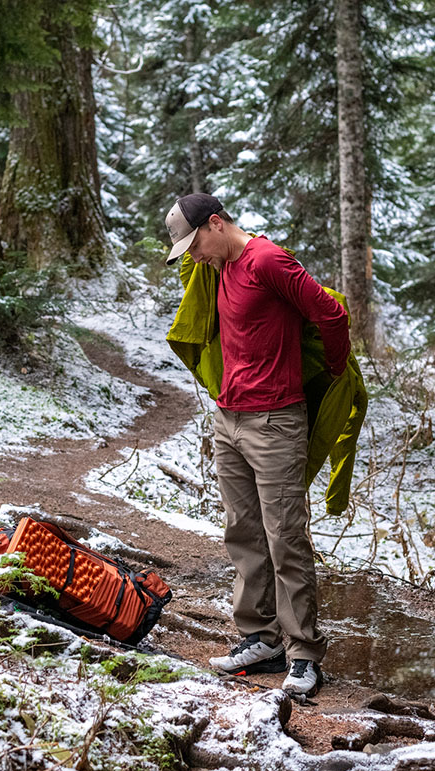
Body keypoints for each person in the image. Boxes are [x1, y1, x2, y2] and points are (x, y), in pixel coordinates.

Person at [163, 193, 352, 697]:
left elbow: (331, 316)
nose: (192, 256)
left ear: (217, 224)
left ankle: (304, 655)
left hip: (274, 422)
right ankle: (260, 637)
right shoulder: (217, 268)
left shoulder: (269, 261)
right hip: (228, 419)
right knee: (242, 532)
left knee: (285, 536)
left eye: (194, 243)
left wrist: (332, 376)